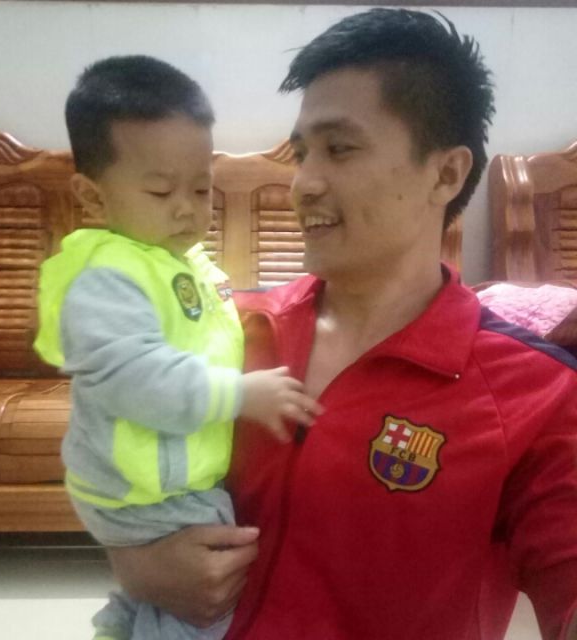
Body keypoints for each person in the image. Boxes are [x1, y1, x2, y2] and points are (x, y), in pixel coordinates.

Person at [105, 10, 577, 640]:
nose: (302, 184)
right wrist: (134, 563)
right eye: (301, 154)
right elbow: (116, 454)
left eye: (340, 149)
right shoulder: (230, 329)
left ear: (445, 173)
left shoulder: (534, 393)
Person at [34, 55, 321, 640]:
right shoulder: (106, 278)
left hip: (162, 481)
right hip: (148, 492)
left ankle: (121, 626)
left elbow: (210, 323)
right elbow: (136, 378)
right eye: (162, 190)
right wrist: (240, 394)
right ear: (93, 198)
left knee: (159, 595)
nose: (188, 208)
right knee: (207, 605)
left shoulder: (174, 259)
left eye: (201, 187)